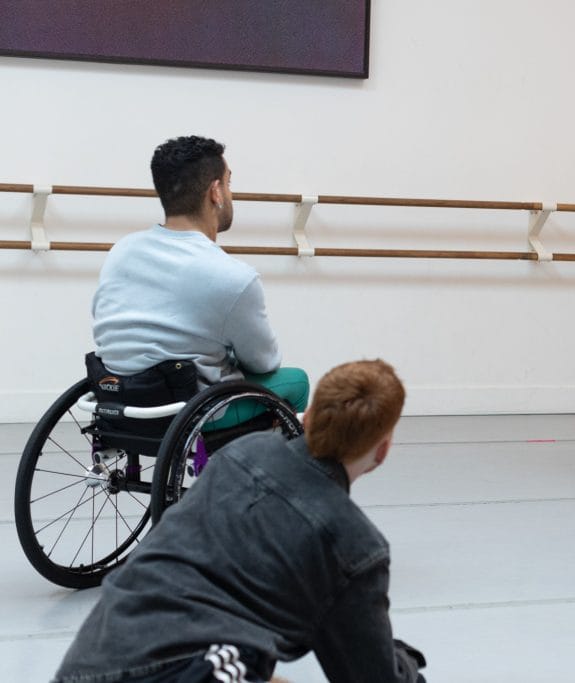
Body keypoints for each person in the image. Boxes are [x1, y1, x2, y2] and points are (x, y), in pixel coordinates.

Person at [53, 360, 428, 682]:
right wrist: (404, 660)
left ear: (309, 416)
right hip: (184, 671)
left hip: (86, 663)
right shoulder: (354, 545)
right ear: (382, 450)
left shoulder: (241, 453)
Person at [91, 135, 308, 423]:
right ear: (215, 192)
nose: (231, 194)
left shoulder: (121, 251)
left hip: (120, 399)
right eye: (229, 184)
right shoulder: (234, 276)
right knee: (296, 381)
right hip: (190, 411)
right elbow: (264, 361)